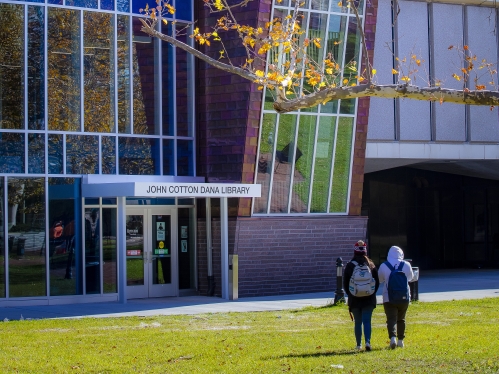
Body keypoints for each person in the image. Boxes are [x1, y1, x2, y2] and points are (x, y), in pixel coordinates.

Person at [343, 240, 380, 351]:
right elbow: (376, 283)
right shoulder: (371, 265)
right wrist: (370, 292)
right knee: (367, 321)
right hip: (369, 298)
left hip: (354, 298)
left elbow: (345, 284)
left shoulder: (350, 265)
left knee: (358, 322)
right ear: (365, 251)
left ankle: (358, 345)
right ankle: (368, 342)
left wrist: (351, 294)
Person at [378, 246, 414, 349]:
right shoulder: (406, 265)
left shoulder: (384, 265)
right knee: (401, 319)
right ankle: (401, 340)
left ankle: (392, 338)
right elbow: (410, 278)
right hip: (404, 297)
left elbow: (380, 279)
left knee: (391, 319)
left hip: (388, 297)